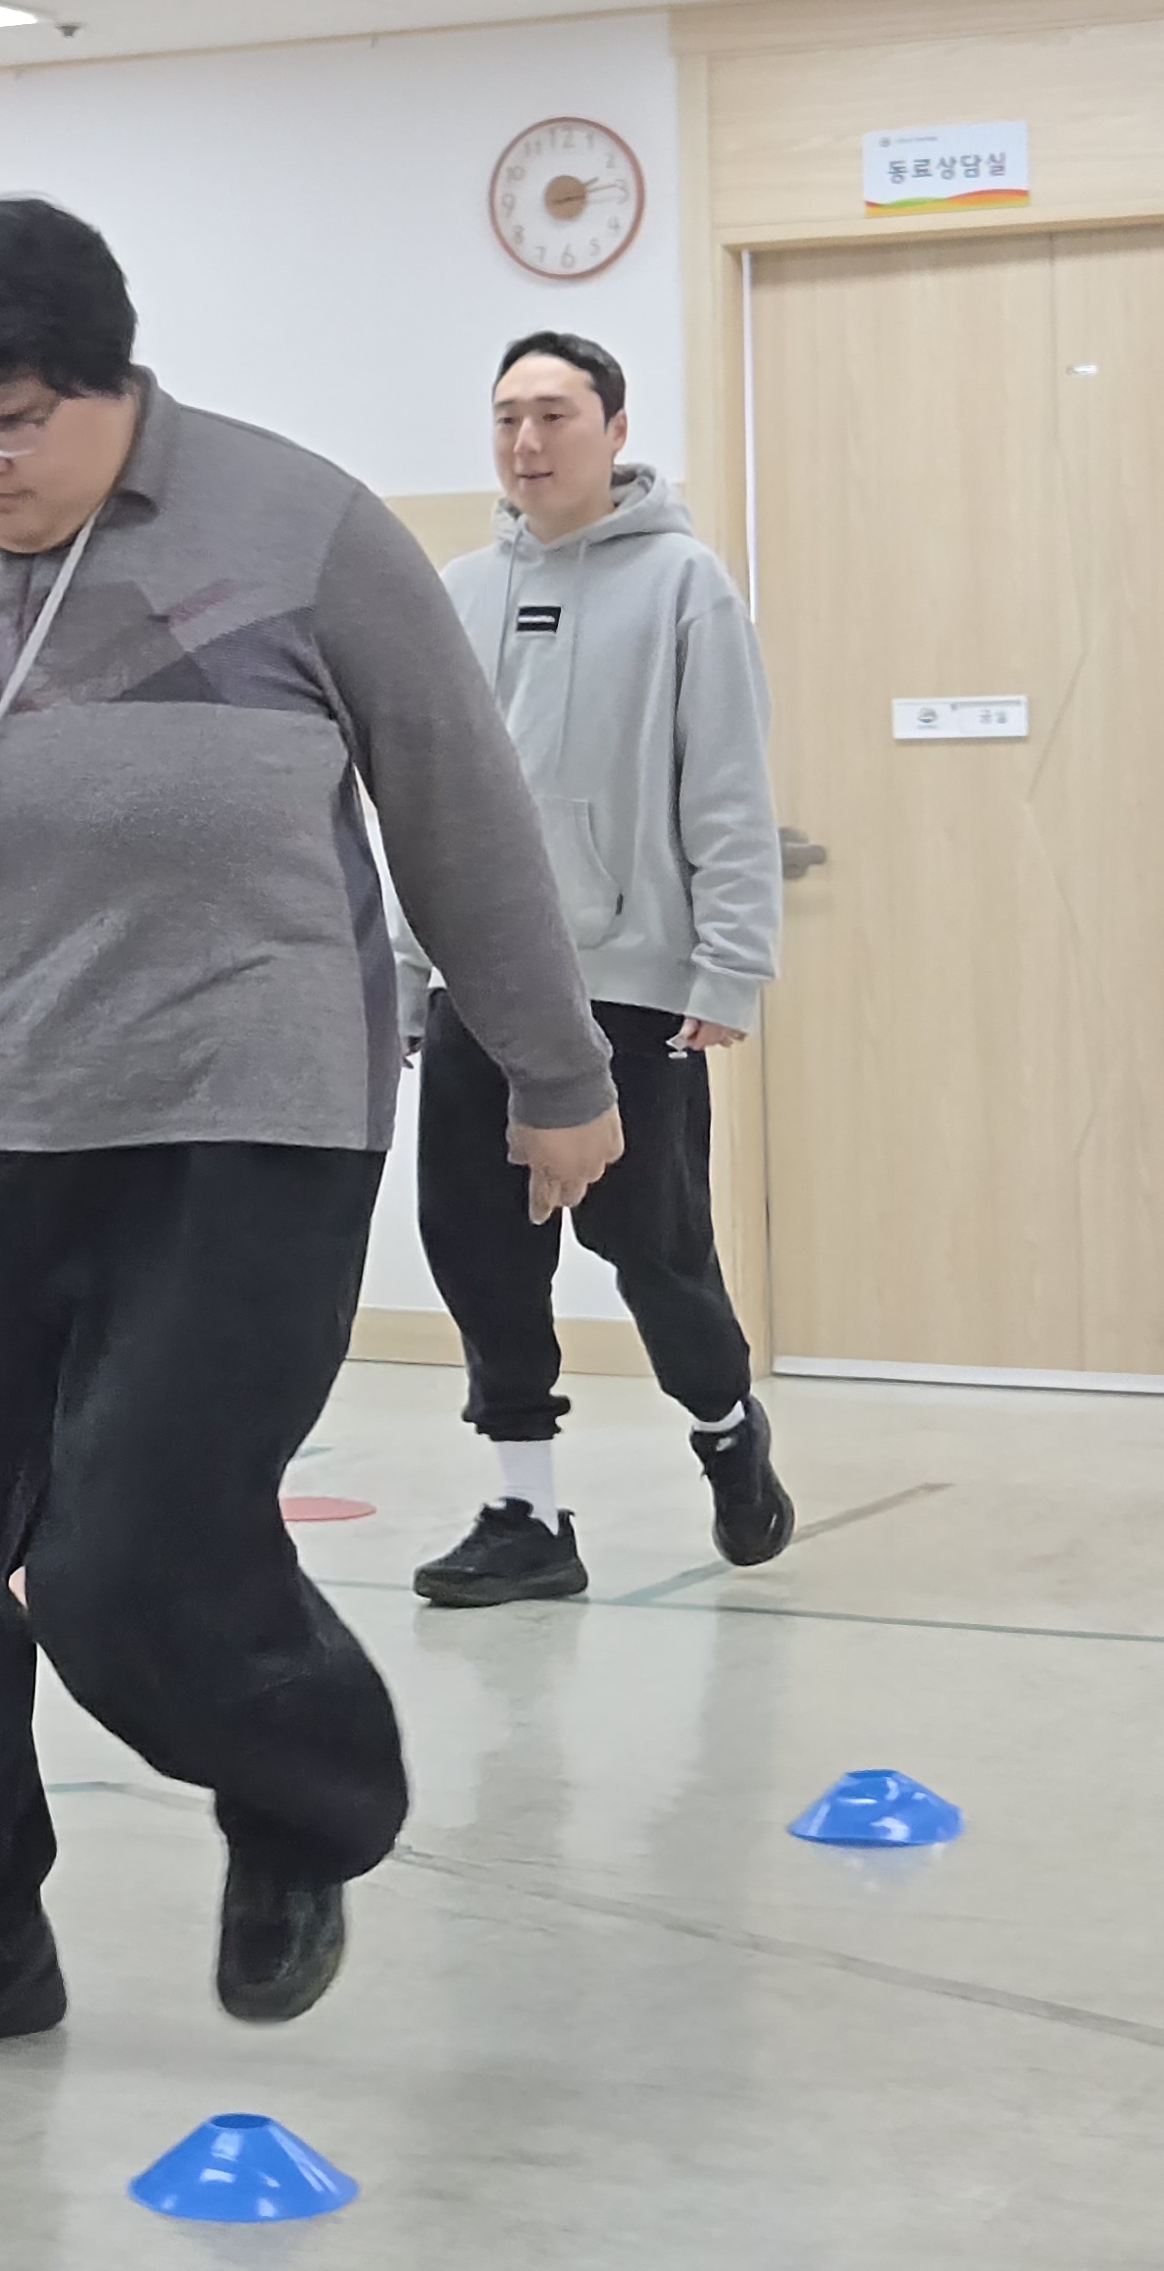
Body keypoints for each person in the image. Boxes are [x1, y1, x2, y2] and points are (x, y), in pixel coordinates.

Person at [0, 198, 620, 2071]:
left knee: (130, 1557)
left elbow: (461, 813)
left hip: (247, 1117)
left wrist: (557, 1073)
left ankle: (308, 1791)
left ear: (112, 378)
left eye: (13, 422)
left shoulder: (304, 528)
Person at [406, 333, 794, 1606]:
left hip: (629, 979)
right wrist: (408, 965)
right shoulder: (459, 591)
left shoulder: (684, 584)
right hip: (477, 983)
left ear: (615, 430)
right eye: (507, 417)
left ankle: (726, 1429)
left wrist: (727, 968)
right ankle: (525, 1512)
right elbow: (422, 799)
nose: (527, 443)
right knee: (478, 1250)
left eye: (555, 415)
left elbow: (725, 783)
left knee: (653, 1248)